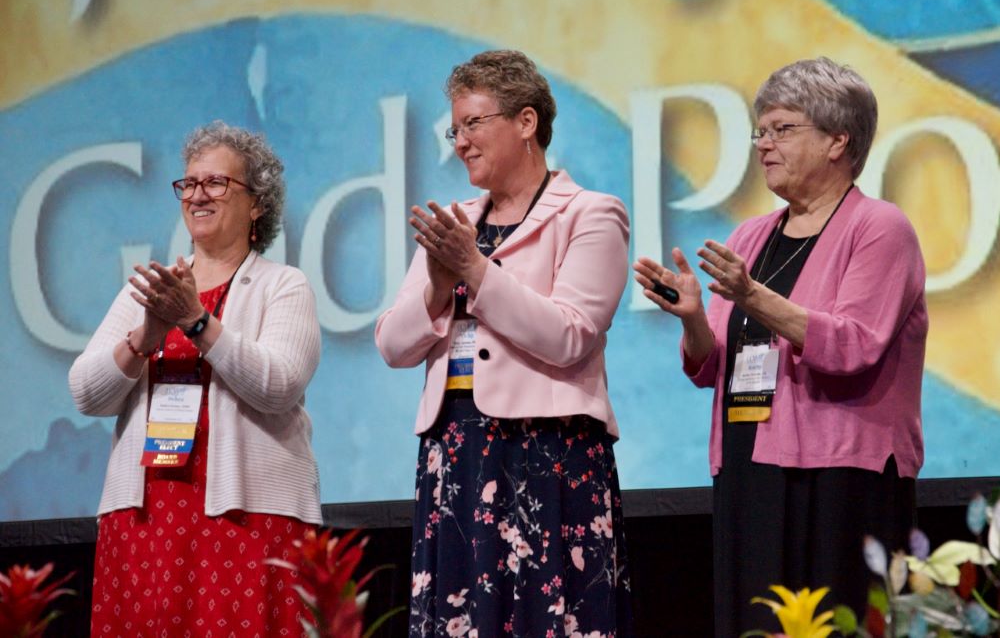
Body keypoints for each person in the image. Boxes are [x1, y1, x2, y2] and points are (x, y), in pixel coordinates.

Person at [634, 57, 928, 635]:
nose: (763, 145)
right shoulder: (752, 236)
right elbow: (710, 364)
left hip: (842, 476)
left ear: (838, 140)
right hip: (751, 470)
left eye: (782, 129)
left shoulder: (880, 228)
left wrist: (751, 294)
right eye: (760, 131)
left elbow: (853, 346)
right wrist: (693, 317)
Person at [376, 50, 633, 636]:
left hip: (548, 453)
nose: (460, 141)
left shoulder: (591, 215)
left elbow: (569, 335)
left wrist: (476, 269)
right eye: (454, 128)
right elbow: (393, 345)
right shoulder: (454, 222)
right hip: (457, 453)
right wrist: (440, 286)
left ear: (526, 122)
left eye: (474, 123)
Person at [69, 121, 322, 636]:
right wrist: (146, 334)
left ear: (257, 204)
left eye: (216, 183)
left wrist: (196, 323)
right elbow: (86, 393)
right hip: (147, 518)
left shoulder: (284, 285)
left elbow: (279, 385)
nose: (197, 194)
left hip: (244, 518)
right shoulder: (151, 291)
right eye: (189, 183)